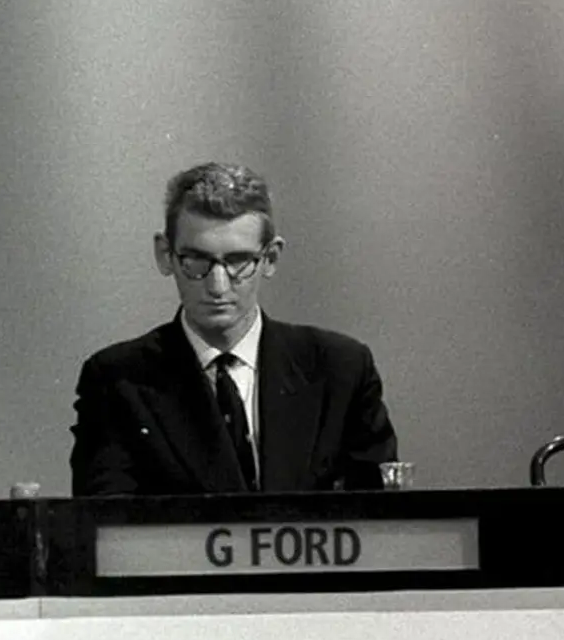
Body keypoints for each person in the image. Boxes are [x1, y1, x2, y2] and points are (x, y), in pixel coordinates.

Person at [70, 162, 398, 497]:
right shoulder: (117, 381)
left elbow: (378, 527)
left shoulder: (341, 370)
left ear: (270, 258)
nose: (217, 285)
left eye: (239, 262)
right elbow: (108, 532)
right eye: (196, 261)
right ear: (165, 254)